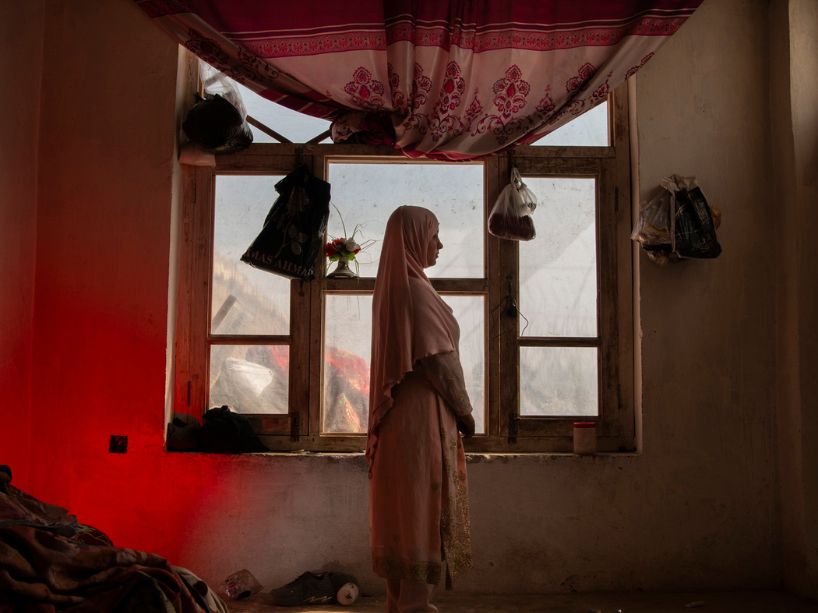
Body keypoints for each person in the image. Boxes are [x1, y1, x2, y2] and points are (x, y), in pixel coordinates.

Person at [367, 205, 475, 613]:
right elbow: (439, 362)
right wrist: (465, 412)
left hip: (400, 421)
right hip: (420, 419)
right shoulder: (414, 291)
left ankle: (401, 603)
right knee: (420, 510)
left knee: (402, 511)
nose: (440, 244)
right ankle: (414, 606)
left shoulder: (394, 289)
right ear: (413, 240)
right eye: (433, 236)